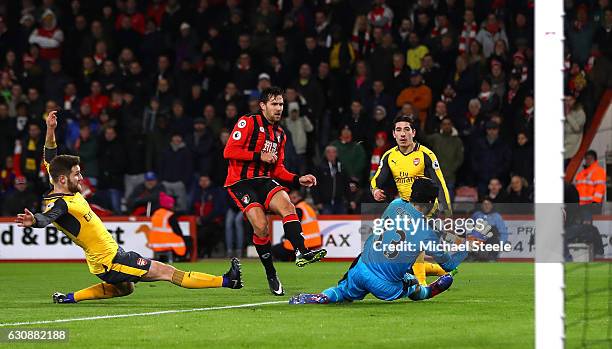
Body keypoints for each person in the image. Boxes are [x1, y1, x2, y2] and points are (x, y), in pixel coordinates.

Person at [15, 111, 242, 304]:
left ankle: (68, 298)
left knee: (125, 289)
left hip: (108, 259)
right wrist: (34, 220)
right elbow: (47, 218)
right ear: (63, 179)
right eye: (77, 174)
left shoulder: (58, 182)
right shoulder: (61, 203)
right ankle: (227, 280)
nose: (81, 177)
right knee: (167, 271)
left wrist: (51, 130)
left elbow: (51, 157)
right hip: (111, 261)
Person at [289, 178, 463, 305]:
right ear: (431, 202)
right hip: (384, 285)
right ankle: (427, 291)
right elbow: (448, 264)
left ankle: (324, 296)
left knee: (342, 292)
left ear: (411, 194)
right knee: (412, 283)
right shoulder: (426, 232)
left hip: (361, 268)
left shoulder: (395, 204)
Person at [223, 87, 327, 296]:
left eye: (281, 104)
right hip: (241, 182)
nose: (279, 108)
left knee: (288, 205)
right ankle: (271, 273)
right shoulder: (248, 122)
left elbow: (278, 169)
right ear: (262, 106)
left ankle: (301, 251)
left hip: (264, 181)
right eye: (274, 104)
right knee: (261, 228)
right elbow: (229, 151)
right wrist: (258, 156)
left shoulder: (280, 134)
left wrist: (299, 179)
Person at [370, 115, 452, 286]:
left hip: (428, 207)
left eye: (406, 129)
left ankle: (421, 286)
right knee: (404, 260)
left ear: (413, 132)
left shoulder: (426, 154)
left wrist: (447, 210)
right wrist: (375, 190)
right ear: (393, 134)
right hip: (405, 207)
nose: (402, 134)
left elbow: (440, 183)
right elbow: (376, 179)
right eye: (398, 130)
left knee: (415, 243)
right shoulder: (389, 156)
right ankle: (443, 270)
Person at [272, 190, 322, 261]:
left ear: (299, 197)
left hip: (304, 242)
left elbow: (293, 226)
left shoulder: (298, 209)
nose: (291, 200)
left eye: (293, 197)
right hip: (314, 241)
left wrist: (286, 235)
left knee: (275, 250)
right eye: (290, 198)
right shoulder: (306, 207)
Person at [575, 150, 606, 217]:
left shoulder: (598, 171)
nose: (588, 160)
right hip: (581, 206)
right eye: (586, 158)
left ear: (594, 159)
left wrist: (595, 202)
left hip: (591, 206)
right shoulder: (581, 173)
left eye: (590, 158)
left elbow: (600, 188)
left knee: (588, 225)